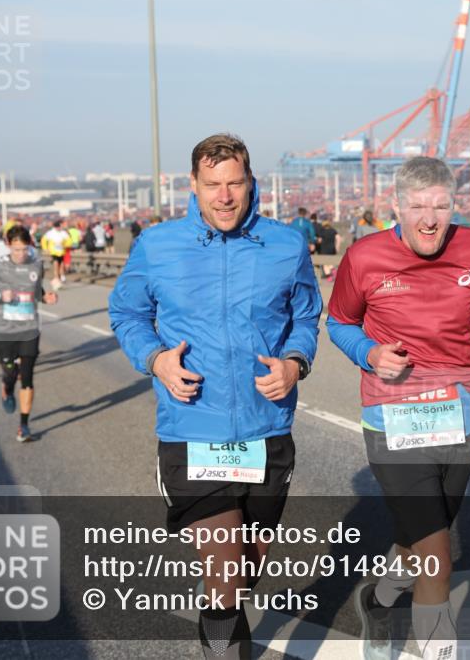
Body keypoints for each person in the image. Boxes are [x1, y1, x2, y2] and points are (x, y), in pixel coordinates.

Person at [109, 133, 322, 660]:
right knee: (225, 567)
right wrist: (156, 359)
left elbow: (306, 315)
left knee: (247, 566)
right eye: (212, 185)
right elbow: (127, 313)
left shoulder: (286, 245)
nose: (224, 196)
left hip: (265, 427)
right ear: (194, 186)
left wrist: (295, 363)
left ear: (251, 184)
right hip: (191, 429)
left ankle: (219, 608)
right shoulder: (157, 245)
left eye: (234, 184)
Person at [327, 156, 470, 660]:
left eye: (440, 206)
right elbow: (339, 323)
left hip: (459, 411)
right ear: (395, 207)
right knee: (438, 548)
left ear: (453, 206)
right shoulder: (365, 257)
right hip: (391, 413)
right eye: (418, 206)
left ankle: (379, 597)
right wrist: (370, 353)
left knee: (422, 534)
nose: (429, 218)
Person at [0, 225, 57, 442]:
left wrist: (46, 297)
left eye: (24, 249)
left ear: (29, 246)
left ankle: (24, 426)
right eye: (16, 249)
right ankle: (7, 386)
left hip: (30, 329)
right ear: (8, 245)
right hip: (4, 330)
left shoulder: (36, 265)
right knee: (11, 372)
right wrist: (1, 296)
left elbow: (36, 290)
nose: (21, 254)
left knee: (28, 377)